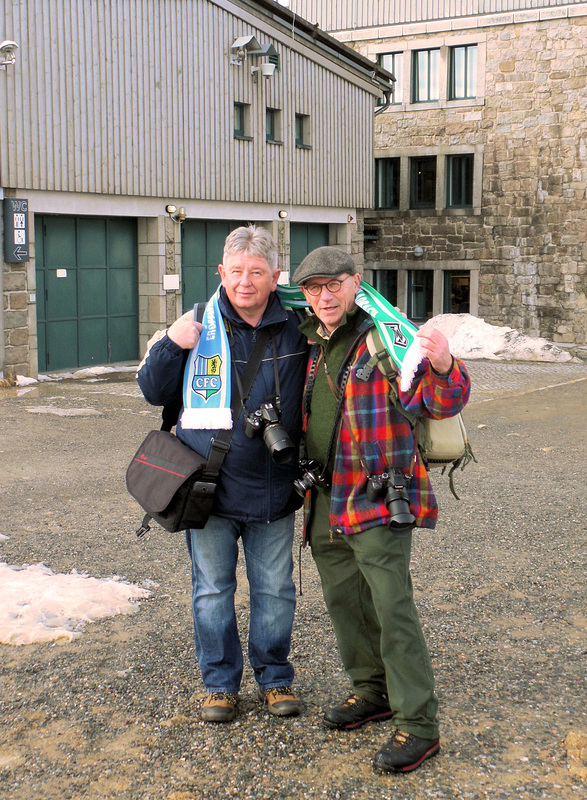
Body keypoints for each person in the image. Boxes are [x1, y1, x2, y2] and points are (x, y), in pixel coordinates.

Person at [292, 246, 471, 773]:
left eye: (333, 284)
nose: (324, 296)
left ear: (355, 283)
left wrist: (442, 363)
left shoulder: (385, 337)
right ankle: (372, 691)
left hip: (375, 494)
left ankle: (419, 723)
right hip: (324, 496)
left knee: (393, 608)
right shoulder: (310, 342)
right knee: (345, 601)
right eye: (313, 288)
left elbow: (443, 400)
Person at [137, 226, 307, 722]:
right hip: (208, 487)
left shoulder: (299, 327)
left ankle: (275, 677)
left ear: (275, 277)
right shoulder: (196, 325)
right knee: (212, 589)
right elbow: (152, 390)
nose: (245, 282)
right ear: (221, 274)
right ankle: (219, 683)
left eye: (257, 272)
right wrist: (171, 344)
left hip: (275, 486)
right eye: (236, 272)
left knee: (275, 589)